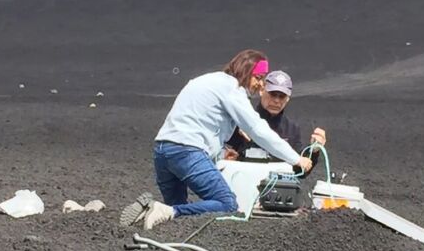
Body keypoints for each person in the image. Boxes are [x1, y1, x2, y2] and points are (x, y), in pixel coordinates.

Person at [120, 50, 313, 230]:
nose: (260, 85)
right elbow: (257, 129)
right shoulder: (232, 88)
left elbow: (201, 120)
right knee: (227, 204)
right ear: (246, 71)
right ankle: (164, 210)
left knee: (175, 217)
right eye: (258, 78)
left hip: (162, 151)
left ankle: (147, 212)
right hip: (187, 152)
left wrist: (220, 151)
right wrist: (296, 159)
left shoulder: (203, 80)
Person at [224, 70, 326, 175]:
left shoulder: (291, 129)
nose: (276, 100)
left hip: (277, 187)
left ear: (288, 98)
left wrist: (314, 151)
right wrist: (225, 158)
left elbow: (300, 171)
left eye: (282, 96)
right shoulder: (241, 119)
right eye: (272, 94)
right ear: (262, 90)